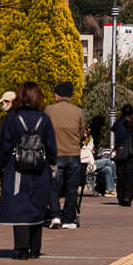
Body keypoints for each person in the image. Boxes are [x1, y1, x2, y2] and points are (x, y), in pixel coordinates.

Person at [0, 82, 57, 260]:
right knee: (37, 205)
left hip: (18, 169)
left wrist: (4, 165)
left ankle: (22, 248)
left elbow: (5, 145)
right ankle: (35, 248)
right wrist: (52, 164)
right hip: (39, 168)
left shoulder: (13, 118)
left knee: (21, 206)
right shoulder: (44, 119)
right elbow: (51, 146)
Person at [45, 81, 86, 229]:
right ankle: (69, 219)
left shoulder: (49, 110)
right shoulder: (78, 111)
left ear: (57, 95)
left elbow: (44, 130)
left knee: (53, 187)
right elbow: (82, 132)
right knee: (71, 188)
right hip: (73, 153)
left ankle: (55, 216)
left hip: (55, 154)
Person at [112, 104, 133, 206]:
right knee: (130, 176)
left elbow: (113, 129)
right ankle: (127, 197)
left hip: (120, 153)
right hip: (132, 154)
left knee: (120, 176)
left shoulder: (118, 124)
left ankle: (120, 197)